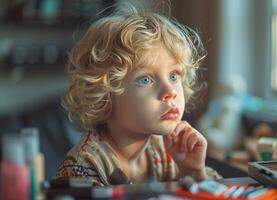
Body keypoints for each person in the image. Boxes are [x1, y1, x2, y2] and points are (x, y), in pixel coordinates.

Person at [55, 3, 221, 186]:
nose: (170, 92)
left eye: (174, 76)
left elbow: (218, 191)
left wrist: (193, 171)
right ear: (105, 96)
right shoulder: (83, 168)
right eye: (145, 80)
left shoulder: (167, 148)